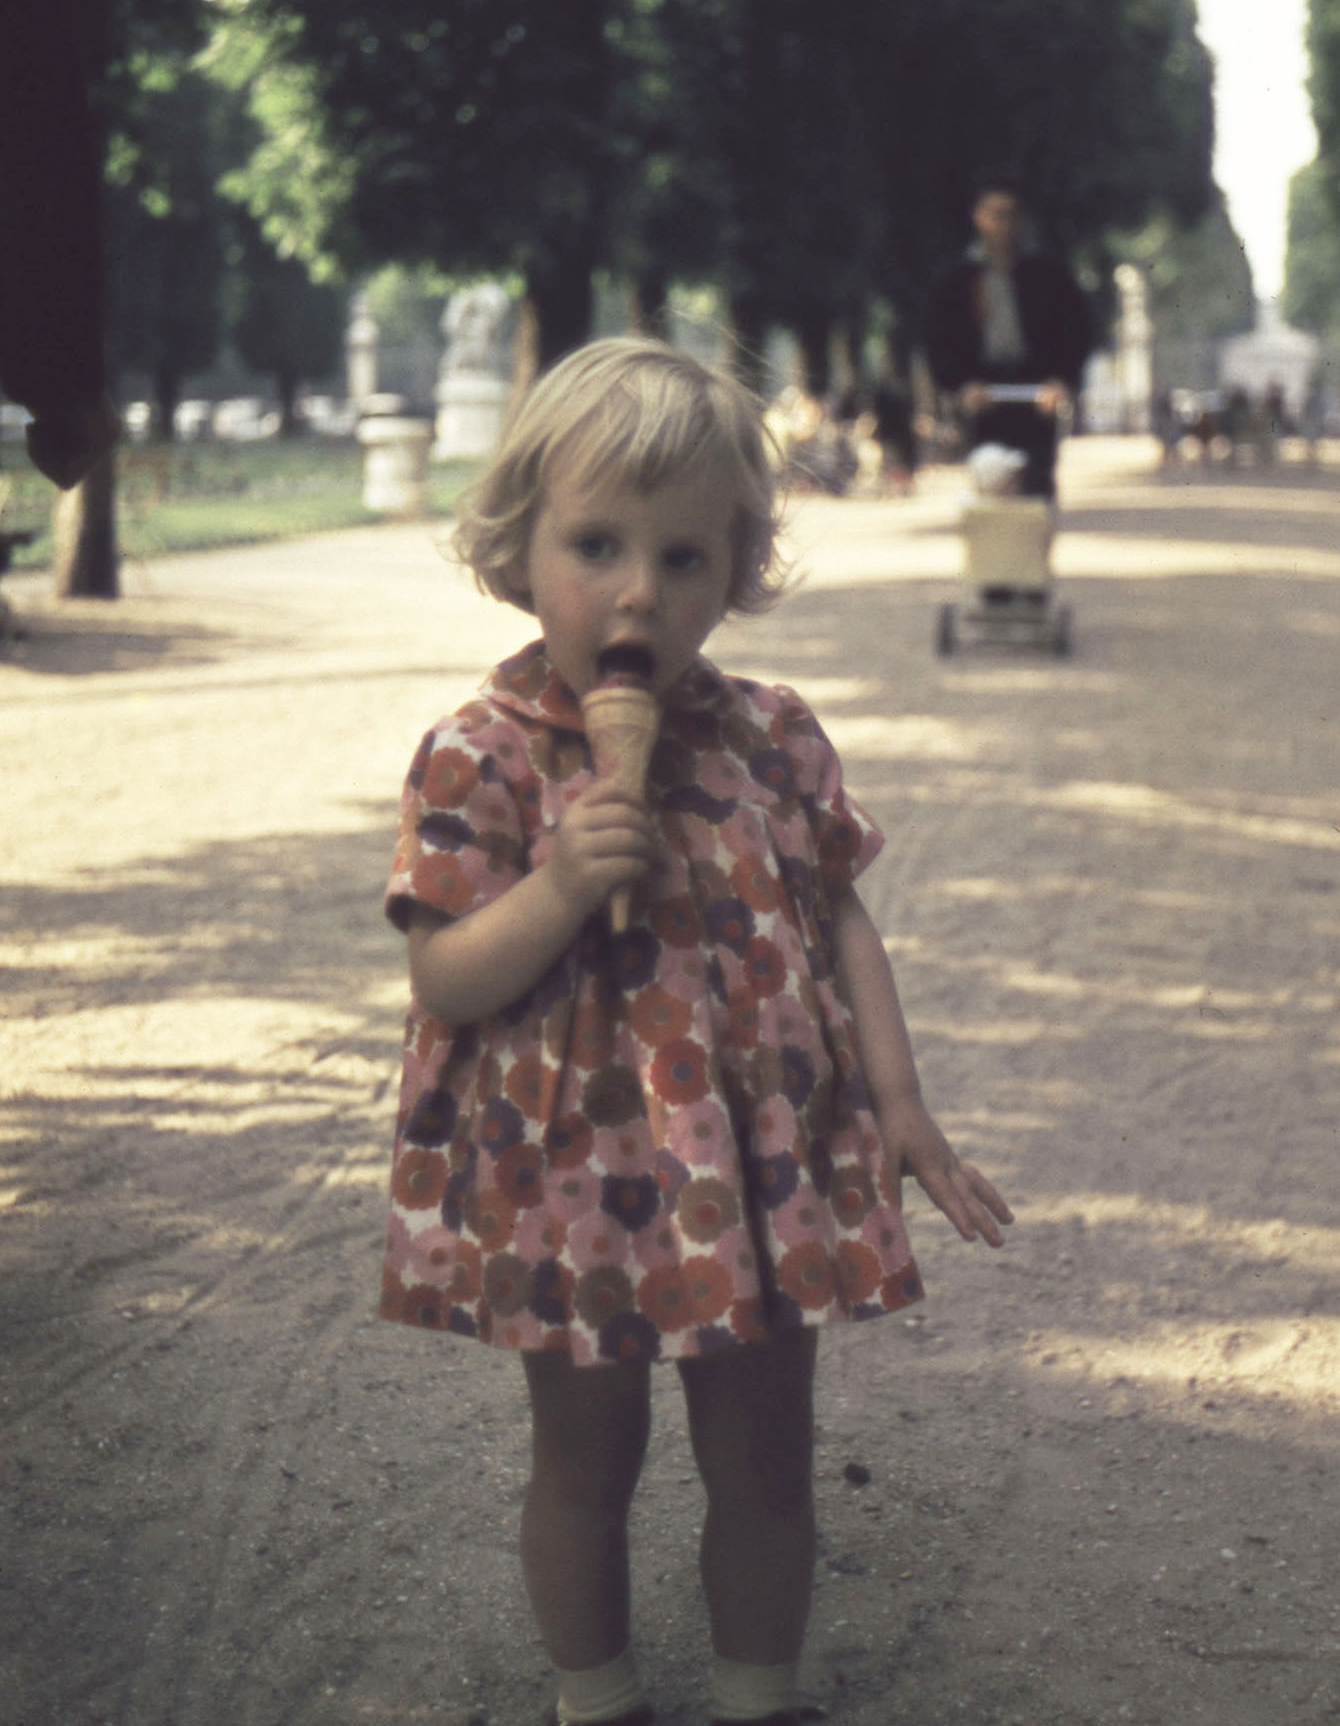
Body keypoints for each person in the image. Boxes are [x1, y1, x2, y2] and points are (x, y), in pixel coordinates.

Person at [380, 339, 1015, 1726]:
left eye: (685, 557)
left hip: (761, 1162)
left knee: (767, 1454)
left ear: (736, 572)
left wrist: (899, 1098)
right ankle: (593, 1696)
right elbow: (448, 977)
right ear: (516, 550)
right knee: (584, 1459)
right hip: (572, 1183)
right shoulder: (476, 754)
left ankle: (756, 1695)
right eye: (596, 544)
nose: (637, 592)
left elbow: (840, 917)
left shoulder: (773, 736)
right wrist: (558, 883)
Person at [927, 185, 1098, 502]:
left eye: (1011, 215)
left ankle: (1031, 547)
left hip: (1036, 394)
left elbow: (1076, 331)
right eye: (995, 214)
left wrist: (1062, 380)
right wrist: (960, 385)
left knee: (1035, 485)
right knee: (990, 483)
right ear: (978, 217)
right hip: (983, 394)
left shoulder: (1047, 275)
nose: (1003, 224)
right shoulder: (957, 279)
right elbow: (939, 339)